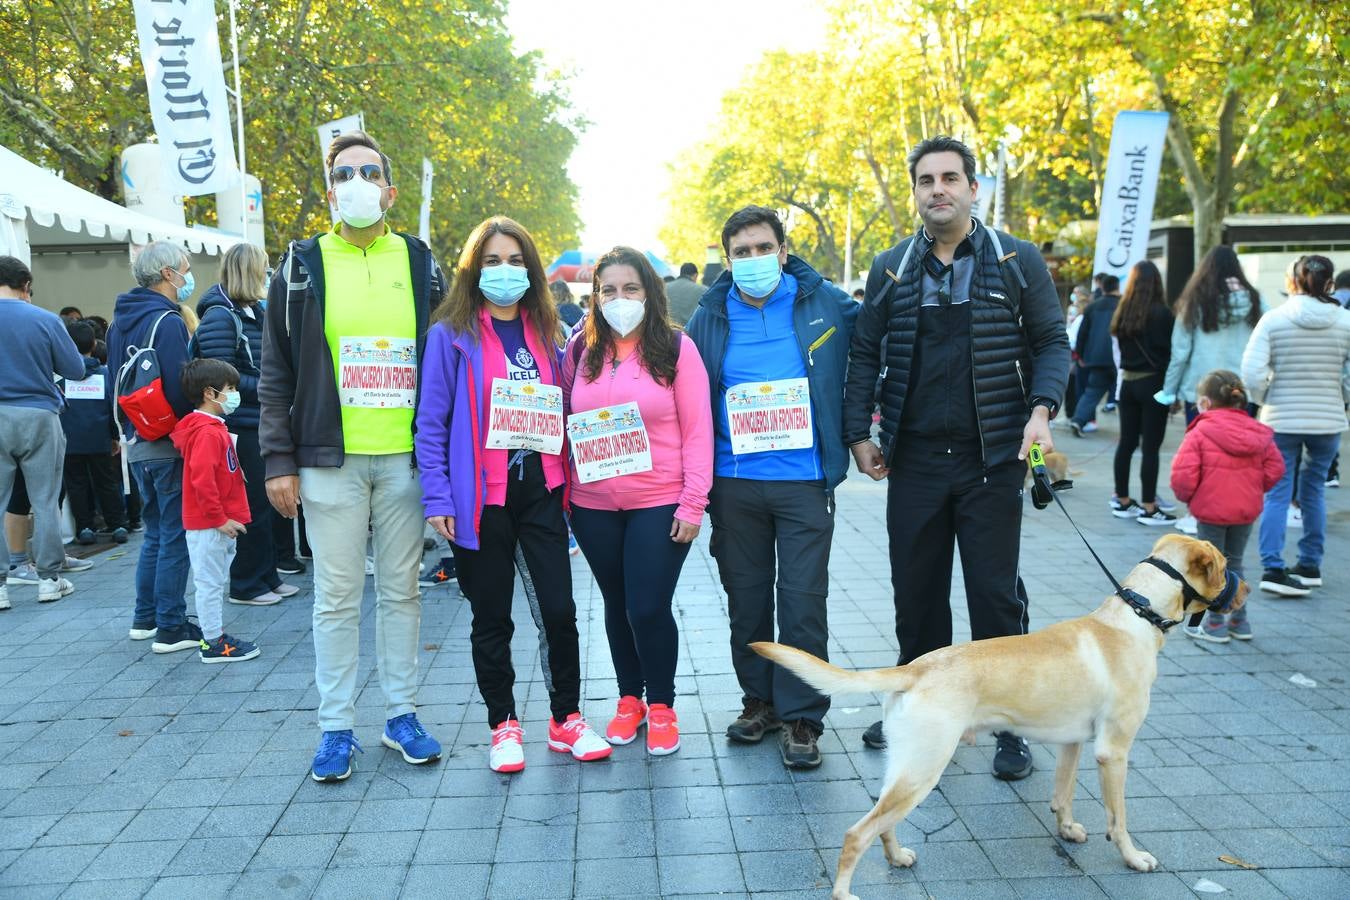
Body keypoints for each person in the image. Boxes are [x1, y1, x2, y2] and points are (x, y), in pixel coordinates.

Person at [843, 136, 1070, 779]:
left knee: (995, 598)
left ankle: (1008, 724)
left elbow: (1052, 342)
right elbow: (864, 352)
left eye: (949, 178)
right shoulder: (890, 267)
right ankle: (919, 714)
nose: (937, 189)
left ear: (974, 188)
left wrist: (1041, 411)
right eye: (925, 180)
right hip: (913, 461)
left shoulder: (1017, 260)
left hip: (992, 459)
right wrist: (859, 432)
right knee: (917, 597)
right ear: (915, 193)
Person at [259, 130, 445, 782]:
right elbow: (276, 371)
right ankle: (336, 728)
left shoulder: (422, 264)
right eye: (344, 174)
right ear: (330, 189)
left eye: (369, 172)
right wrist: (278, 459)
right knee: (335, 598)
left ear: (389, 191)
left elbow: (447, 365)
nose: (356, 182)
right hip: (327, 462)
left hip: (405, 462)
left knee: (402, 594)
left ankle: (402, 715)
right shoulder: (301, 266)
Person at [415, 215, 611, 773]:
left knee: (559, 611)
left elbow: (573, 406)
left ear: (531, 267)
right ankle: (502, 723)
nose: (505, 271)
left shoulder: (550, 334)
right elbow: (430, 423)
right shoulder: (450, 336)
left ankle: (565, 718)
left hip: (542, 493)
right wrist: (438, 497)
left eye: (515, 260)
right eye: (493, 261)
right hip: (479, 500)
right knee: (491, 617)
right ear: (474, 270)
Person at [685, 205, 858, 769]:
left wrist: (862, 430)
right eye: (742, 252)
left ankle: (804, 717)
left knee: (804, 602)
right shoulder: (710, 316)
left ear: (783, 252)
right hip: (734, 483)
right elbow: (683, 391)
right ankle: (759, 700)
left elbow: (875, 350)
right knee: (747, 601)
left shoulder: (825, 303)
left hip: (804, 481)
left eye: (764, 249)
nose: (754, 260)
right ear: (727, 260)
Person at [562, 246, 713, 756]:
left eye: (631, 289)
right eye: (609, 290)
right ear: (595, 296)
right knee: (616, 604)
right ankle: (630, 699)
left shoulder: (675, 348)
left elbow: (698, 431)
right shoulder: (581, 349)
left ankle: (663, 703)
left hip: (660, 501)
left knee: (647, 606)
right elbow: (565, 419)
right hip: (593, 504)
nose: (619, 299)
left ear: (650, 292)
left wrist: (694, 504)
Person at [107, 241, 199, 650]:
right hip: (167, 440)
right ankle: (171, 625)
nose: (187, 275)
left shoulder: (118, 321)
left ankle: (144, 618)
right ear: (167, 274)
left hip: (137, 439)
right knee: (175, 533)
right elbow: (181, 385)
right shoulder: (169, 320)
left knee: (155, 532)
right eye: (184, 268)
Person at [194, 242, 298, 606]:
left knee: (264, 506)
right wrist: (269, 386)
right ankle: (247, 582)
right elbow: (220, 376)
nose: (269, 276)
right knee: (250, 505)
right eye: (265, 269)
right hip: (242, 423)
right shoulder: (220, 316)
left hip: (260, 420)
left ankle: (267, 575)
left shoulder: (254, 311)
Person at [1242, 254, 1350, 597]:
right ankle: (1310, 564)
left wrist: (1265, 397)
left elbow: (1251, 371)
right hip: (1328, 417)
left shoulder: (1274, 320)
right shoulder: (1345, 322)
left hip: (1282, 417)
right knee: (1314, 489)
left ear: (1293, 281)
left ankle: (1272, 566)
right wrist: (1341, 394)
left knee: (1277, 492)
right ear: (1329, 283)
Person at [1170, 370, 1283, 642]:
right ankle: (1240, 621)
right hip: (1245, 511)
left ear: (1206, 402)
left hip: (1210, 511)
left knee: (1212, 567)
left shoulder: (1201, 430)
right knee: (1236, 561)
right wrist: (1254, 489)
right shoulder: (1259, 432)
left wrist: (1189, 497)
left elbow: (1183, 476)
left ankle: (1215, 622)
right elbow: (1276, 468)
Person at [0, 256, 86, 608]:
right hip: (38, 413)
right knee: (45, 500)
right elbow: (75, 369)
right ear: (26, 285)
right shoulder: (46, 320)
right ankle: (49, 578)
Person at [170, 359, 261, 662]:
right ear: (210, 393)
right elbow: (202, 480)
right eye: (230, 389)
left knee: (213, 581)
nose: (235, 394)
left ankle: (214, 636)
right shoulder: (208, 432)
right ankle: (213, 642)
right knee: (209, 584)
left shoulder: (211, 428)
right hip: (210, 524)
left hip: (215, 522)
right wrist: (219, 518)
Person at [1156, 246, 1263, 423]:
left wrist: (1169, 392)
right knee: (1240, 447)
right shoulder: (1256, 301)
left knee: (1202, 445)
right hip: (1242, 391)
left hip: (1201, 390)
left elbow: (1180, 354)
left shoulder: (1193, 303)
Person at [1108, 260, 1176, 524]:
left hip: (1128, 384)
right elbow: (1172, 352)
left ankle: (1123, 500)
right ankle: (1149, 505)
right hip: (1154, 384)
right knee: (1151, 447)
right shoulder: (1163, 314)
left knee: (1126, 443)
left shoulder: (1122, 311)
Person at [59, 320, 128, 545]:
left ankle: (85, 528)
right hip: (100, 439)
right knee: (107, 482)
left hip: (69, 441)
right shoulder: (105, 374)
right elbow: (111, 407)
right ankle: (117, 525)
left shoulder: (61, 378)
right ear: (93, 344)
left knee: (77, 485)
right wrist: (114, 436)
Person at [1069, 273, 1121, 436]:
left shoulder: (1092, 307)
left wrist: (1080, 356)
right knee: (1125, 395)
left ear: (1102, 287)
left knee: (1092, 392)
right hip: (1119, 359)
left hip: (1096, 358)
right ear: (1118, 287)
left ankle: (1078, 420)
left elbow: (1082, 334)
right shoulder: (1124, 305)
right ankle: (1133, 430)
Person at [665, 262, 705, 326]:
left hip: (667, 331)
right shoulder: (703, 290)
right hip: (691, 333)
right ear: (695, 275)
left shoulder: (664, 288)